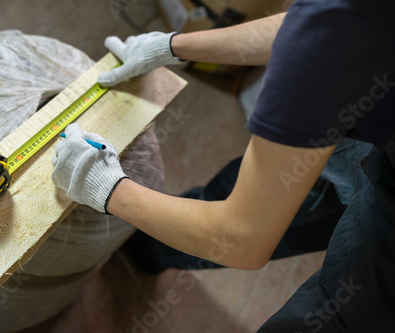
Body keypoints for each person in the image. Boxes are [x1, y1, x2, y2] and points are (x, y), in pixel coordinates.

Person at [51, 0, 395, 331]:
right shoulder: (338, 22)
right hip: (378, 129)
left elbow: (242, 239)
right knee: (280, 194)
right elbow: (315, 22)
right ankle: (147, 246)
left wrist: (106, 187)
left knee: (333, 316)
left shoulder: (331, 35)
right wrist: (170, 46)